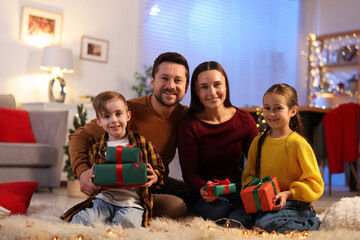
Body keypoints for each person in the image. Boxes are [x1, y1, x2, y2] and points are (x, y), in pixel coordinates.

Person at [68, 52, 191, 218]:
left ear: (187, 85)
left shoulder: (186, 115)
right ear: (152, 81)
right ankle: (115, 210)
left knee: (193, 192)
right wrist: (82, 172)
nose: (171, 85)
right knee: (176, 207)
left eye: (178, 80)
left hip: (156, 179)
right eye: (164, 78)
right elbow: (79, 137)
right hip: (124, 186)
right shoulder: (126, 112)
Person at [61, 91, 165, 228]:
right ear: (99, 122)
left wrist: (154, 177)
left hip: (132, 203)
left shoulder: (144, 144)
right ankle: (105, 219)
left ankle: (114, 221)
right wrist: (91, 179)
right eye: (106, 116)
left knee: (127, 223)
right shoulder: (97, 149)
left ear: (128, 116)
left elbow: (159, 169)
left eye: (118, 114)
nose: (114, 120)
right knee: (83, 221)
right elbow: (93, 175)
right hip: (103, 201)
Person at [177, 61, 259, 222]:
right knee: (218, 212)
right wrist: (204, 188)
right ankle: (240, 215)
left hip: (237, 185)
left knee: (254, 204)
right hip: (206, 193)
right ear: (196, 91)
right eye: (204, 87)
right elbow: (190, 173)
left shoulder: (244, 119)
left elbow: (257, 162)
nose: (212, 92)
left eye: (217, 85)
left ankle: (240, 213)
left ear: (226, 86)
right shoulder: (188, 126)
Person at [237, 83, 324, 233]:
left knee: (265, 223)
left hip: (293, 202)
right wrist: (254, 191)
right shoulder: (258, 142)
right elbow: (248, 175)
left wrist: (288, 194)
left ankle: (310, 222)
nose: (271, 113)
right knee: (236, 218)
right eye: (267, 108)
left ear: (293, 111)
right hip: (265, 202)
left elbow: (315, 184)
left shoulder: (298, 144)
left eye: (278, 108)